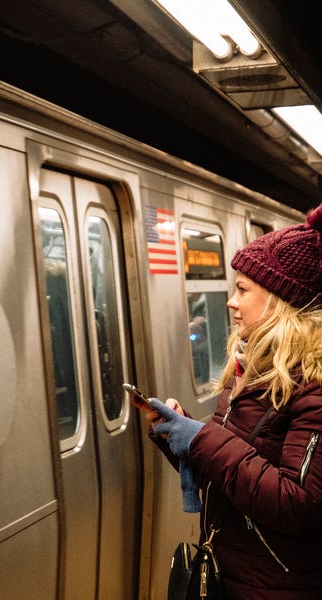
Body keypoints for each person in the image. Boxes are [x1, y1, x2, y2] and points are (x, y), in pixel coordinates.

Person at [136, 204, 322, 598]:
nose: (230, 302)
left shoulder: (314, 387)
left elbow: (298, 503)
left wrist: (201, 439)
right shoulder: (248, 369)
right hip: (239, 572)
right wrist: (179, 433)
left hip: (278, 585)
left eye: (243, 290)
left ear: (279, 301)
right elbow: (235, 473)